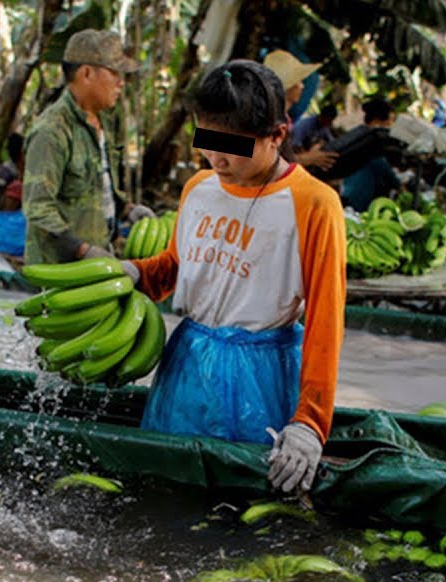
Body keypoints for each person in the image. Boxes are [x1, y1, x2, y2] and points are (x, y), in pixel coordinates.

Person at [120, 60, 346, 495]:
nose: (216, 159)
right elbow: (178, 266)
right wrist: (134, 274)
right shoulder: (199, 189)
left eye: (232, 147)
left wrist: (310, 422)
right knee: (165, 491)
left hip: (260, 374)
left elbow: (326, 319)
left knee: (247, 504)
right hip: (187, 367)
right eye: (207, 141)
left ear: (278, 135)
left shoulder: (314, 205)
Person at [22, 29, 154, 265]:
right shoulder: (52, 131)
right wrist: (82, 250)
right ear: (86, 73)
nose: (121, 82)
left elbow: (97, 186)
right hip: (61, 272)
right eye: (114, 73)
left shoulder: (101, 123)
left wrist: (127, 209)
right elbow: (38, 207)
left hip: (98, 260)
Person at [263, 50, 337, 172]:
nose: (302, 86)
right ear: (287, 87)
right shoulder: (267, 117)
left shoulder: (284, 118)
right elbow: (259, 155)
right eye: (298, 81)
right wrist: (306, 158)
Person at [341, 98, 404, 212]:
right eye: (390, 120)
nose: (391, 124)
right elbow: (379, 163)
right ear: (378, 120)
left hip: (351, 189)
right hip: (360, 192)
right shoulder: (372, 137)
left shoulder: (361, 132)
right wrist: (399, 186)